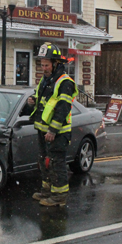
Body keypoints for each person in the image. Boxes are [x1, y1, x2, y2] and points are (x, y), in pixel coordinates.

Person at [27, 42, 78, 207]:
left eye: (47, 65)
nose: (44, 68)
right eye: (42, 64)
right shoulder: (46, 80)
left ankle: (59, 196)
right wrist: (33, 101)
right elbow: (42, 98)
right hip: (43, 130)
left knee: (57, 163)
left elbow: (63, 109)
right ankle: (47, 191)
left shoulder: (65, 82)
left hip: (58, 132)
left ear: (56, 63)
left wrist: (53, 130)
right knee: (44, 162)